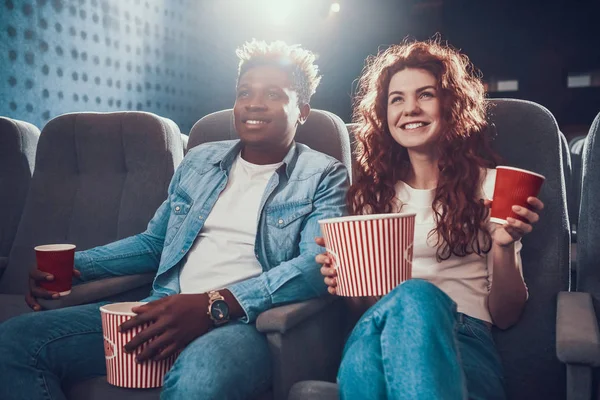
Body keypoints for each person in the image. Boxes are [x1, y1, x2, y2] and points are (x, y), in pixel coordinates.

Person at [0, 40, 349, 400]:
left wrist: (214, 303)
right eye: (245, 92)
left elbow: (314, 267)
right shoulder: (199, 161)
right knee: (16, 341)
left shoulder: (324, 174)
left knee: (198, 382)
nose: (254, 103)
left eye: (274, 94)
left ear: (302, 111)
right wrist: (77, 265)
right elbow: (154, 243)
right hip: (164, 306)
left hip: (244, 323)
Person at [317, 40, 544, 400]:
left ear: (449, 104)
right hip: (376, 334)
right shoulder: (370, 197)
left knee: (418, 294)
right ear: (383, 113)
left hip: (463, 339)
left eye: (425, 95)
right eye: (397, 99)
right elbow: (370, 308)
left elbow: (506, 315)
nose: (410, 109)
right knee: (408, 300)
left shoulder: (491, 186)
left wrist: (504, 246)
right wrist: (346, 278)